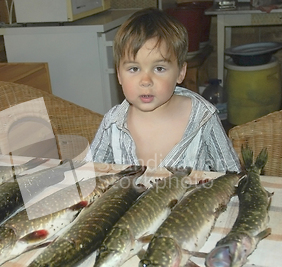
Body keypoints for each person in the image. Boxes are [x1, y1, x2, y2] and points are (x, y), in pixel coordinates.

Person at [86, 8, 241, 172]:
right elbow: (90, 176)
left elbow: (232, 176)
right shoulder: (112, 123)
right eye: (134, 69)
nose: (146, 81)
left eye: (159, 68)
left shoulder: (203, 117)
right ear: (118, 74)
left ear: (180, 72)